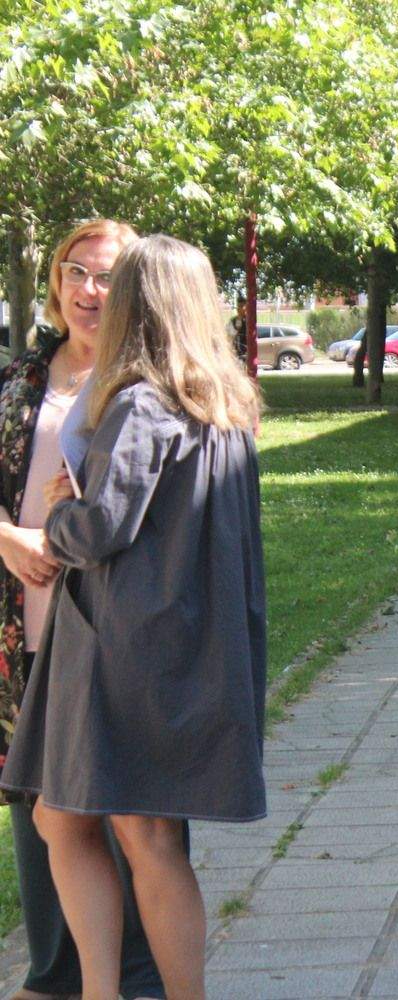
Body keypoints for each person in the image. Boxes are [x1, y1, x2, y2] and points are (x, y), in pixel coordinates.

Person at [0, 234, 268, 1000]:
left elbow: (98, 529)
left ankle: (120, 992)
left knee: (131, 832)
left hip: (124, 645)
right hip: (190, 639)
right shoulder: (226, 405)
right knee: (73, 819)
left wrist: (61, 512)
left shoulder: (142, 405)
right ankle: (103, 990)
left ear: (134, 305)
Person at [0, 220, 170, 1000]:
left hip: (115, 629)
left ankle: (141, 977)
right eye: (76, 272)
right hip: (27, 624)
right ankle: (54, 973)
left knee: (133, 812)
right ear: (56, 279)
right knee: (39, 804)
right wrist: (8, 539)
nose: (90, 291)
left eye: (108, 276)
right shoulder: (20, 380)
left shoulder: (151, 384)